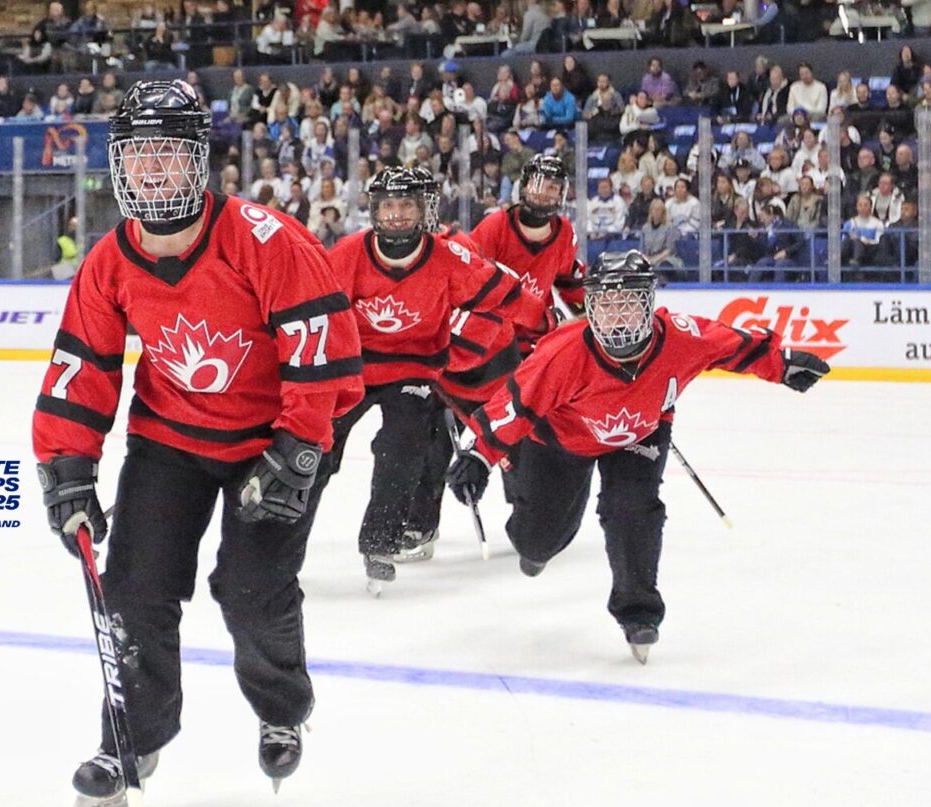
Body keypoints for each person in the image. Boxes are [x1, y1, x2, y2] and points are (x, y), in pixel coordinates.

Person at [31, 80, 364, 807]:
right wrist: (68, 467)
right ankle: (132, 739)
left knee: (249, 588)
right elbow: (81, 367)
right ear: (120, 165)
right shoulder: (109, 262)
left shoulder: (265, 240)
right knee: (133, 589)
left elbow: (323, 353)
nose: (152, 171)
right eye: (138, 155)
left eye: (168, 155)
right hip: (170, 440)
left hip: (272, 442)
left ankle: (282, 708)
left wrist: (300, 450)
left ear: (199, 162)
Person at [445, 250, 830, 662]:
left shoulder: (679, 336)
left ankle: (638, 612)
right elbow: (515, 404)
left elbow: (733, 346)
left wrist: (782, 364)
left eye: (628, 302)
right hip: (562, 441)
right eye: (606, 305)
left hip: (639, 434)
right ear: (591, 307)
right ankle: (537, 547)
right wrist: (478, 455)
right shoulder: (563, 352)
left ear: (648, 304)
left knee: (633, 509)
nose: (617, 316)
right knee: (537, 539)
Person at [322, 167, 519, 591]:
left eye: (408, 204)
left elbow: (497, 301)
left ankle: (397, 534)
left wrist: (458, 353)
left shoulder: (454, 250)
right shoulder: (351, 252)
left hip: (429, 367)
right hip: (359, 366)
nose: (397, 215)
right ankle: (281, 536)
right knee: (316, 440)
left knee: (413, 442)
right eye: (389, 206)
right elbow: (320, 311)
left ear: (426, 207)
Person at [470, 153, 584, 357]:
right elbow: (470, 282)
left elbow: (569, 283)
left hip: (536, 337)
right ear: (523, 187)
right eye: (537, 183)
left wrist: (590, 312)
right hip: (491, 339)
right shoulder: (495, 226)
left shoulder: (564, 232)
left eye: (552, 187)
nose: (543, 192)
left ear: (562, 194)